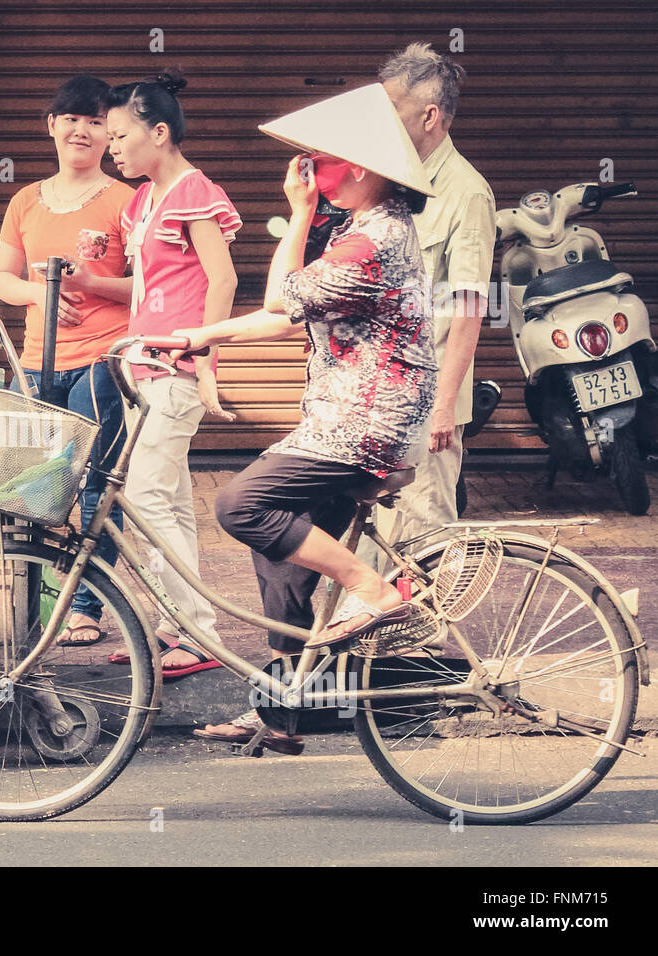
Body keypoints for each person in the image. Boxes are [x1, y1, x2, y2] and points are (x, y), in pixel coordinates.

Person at [175, 83, 439, 752]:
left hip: (364, 423)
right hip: (345, 418)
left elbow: (278, 297)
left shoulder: (370, 242)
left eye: (319, 161)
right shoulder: (360, 232)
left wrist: (297, 213)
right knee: (281, 555)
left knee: (239, 505)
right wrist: (197, 338)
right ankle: (282, 711)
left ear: (358, 168)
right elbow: (279, 316)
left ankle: (372, 588)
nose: (311, 173)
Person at [0, 76, 136, 646]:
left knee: (96, 485)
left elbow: (147, 285)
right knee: (34, 484)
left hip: (103, 359)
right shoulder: (25, 199)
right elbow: (4, 279)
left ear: (110, 133)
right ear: (51, 124)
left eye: (97, 121)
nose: (83, 130)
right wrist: (40, 294)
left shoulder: (125, 201)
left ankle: (87, 607)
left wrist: (94, 284)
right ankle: (34, 601)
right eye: (72, 118)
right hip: (36, 362)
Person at [105, 69, 240, 677]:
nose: (111, 145)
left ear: (158, 133)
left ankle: (197, 632)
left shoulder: (193, 190)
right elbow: (150, 286)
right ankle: (180, 627)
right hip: (143, 365)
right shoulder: (141, 200)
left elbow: (225, 279)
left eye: (119, 134)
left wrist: (206, 361)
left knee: (144, 498)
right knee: (173, 502)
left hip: (175, 367)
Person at [369, 43, 497, 555]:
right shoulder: (394, 182)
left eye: (392, 111)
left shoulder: (466, 193)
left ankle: (426, 640)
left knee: (423, 541)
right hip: (380, 395)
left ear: (429, 115)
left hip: (427, 401)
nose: (384, 123)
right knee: (372, 545)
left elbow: (467, 310)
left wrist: (444, 407)